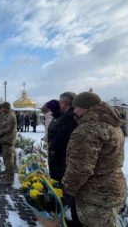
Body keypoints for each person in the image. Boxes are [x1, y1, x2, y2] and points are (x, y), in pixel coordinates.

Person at [63, 92, 127, 227]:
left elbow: (80, 167)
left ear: (87, 107)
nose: (74, 111)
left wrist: (68, 188)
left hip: (95, 192)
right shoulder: (112, 124)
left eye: (77, 107)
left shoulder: (89, 129)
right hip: (113, 186)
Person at [47, 92, 81, 227]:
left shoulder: (70, 119)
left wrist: (53, 145)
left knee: (66, 191)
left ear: (64, 104)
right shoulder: (65, 117)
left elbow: (61, 140)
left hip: (63, 160)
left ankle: (62, 213)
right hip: (60, 159)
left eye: (60, 102)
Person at [0, 102, 17, 185]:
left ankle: (9, 178)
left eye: (2, 108)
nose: (1, 110)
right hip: (6, 140)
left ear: (5, 108)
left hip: (8, 140)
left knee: (9, 159)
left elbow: (7, 128)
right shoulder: (7, 114)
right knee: (6, 158)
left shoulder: (10, 116)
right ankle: (7, 173)